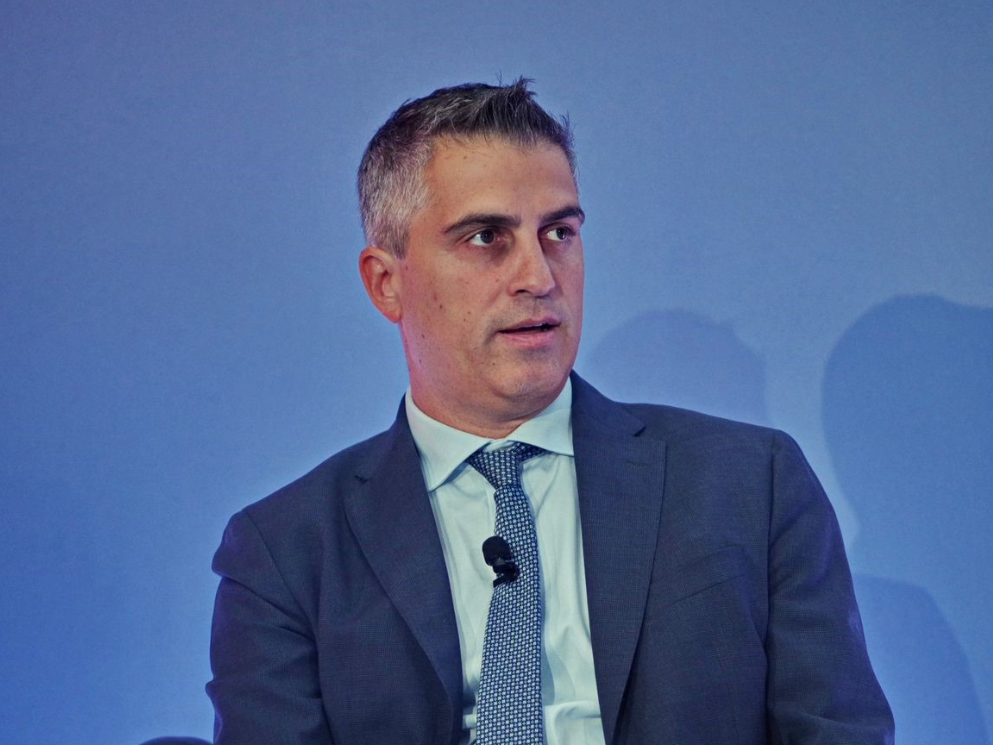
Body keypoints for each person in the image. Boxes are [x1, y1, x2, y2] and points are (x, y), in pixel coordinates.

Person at [207, 79, 893, 745]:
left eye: (559, 232)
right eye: (486, 237)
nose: (538, 277)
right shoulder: (287, 553)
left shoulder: (749, 484)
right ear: (386, 283)